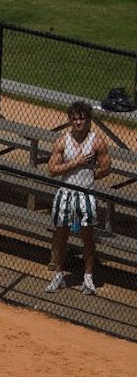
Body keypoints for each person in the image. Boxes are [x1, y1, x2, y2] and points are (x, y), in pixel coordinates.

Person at [46, 101, 111, 296]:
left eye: (82, 118)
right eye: (74, 119)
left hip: (86, 194)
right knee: (60, 235)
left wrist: (90, 176)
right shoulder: (62, 141)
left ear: (88, 120)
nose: (78, 122)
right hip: (65, 193)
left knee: (87, 237)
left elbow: (106, 168)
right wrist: (76, 162)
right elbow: (52, 169)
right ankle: (59, 274)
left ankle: (88, 277)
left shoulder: (97, 142)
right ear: (70, 120)